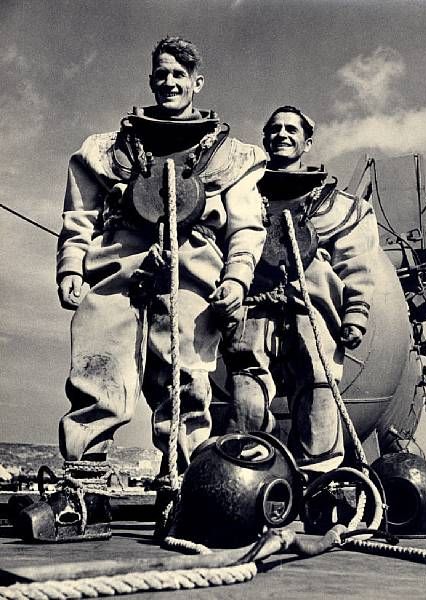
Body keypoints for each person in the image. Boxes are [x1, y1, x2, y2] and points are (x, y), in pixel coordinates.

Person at [54, 37, 266, 528]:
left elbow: (246, 228)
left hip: (191, 271)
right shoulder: (105, 151)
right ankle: (85, 492)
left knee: (185, 381)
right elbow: (79, 215)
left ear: (197, 83)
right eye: (161, 73)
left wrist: (236, 279)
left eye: (179, 75)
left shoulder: (232, 157)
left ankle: (183, 491)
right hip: (115, 268)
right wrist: (70, 266)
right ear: (151, 79)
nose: (168, 82)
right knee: (97, 372)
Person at [222, 106, 379, 475]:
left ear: (307, 143)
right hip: (254, 311)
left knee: (318, 387)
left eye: (292, 129)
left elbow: (356, 263)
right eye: (274, 128)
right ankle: (249, 473)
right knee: (246, 391)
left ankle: (318, 475)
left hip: (312, 313)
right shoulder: (241, 198)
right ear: (265, 140)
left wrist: (355, 314)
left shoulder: (339, 208)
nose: (282, 134)